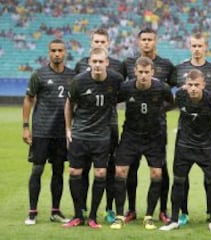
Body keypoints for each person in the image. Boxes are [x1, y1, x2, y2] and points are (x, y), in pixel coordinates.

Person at [110, 56, 174, 230]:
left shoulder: (162, 88)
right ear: (135, 72)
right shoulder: (126, 88)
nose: (144, 76)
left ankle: (149, 216)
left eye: (147, 72)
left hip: (154, 137)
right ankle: (119, 215)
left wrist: (160, 112)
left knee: (156, 174)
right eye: (141, 72)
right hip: (131, 135)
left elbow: (172, 103)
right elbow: (111, 102)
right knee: (121, 171)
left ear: (153, 72)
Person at [63, 47, 122, 229]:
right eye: (94, 61)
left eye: (100, 61)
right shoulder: (78, 81)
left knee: (101, 174)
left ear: (107, 63)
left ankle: (93, 217)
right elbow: (69, 104)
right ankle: (78, 215)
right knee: (75, 173)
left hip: (101, 136)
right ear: (89, 63)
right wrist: (68, 129)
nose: (97, 65)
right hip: (80, 134)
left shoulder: (116, 80)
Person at [121, 28, 175, 224]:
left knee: (162, 170)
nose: (146, 43)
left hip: (157, 129)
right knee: (131, 168)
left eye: (150, 39)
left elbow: (171, 97)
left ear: (155, 41)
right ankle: (131, 209)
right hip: (133, 129)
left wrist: (158, 110)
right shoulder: (128, 64)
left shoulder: (166, 65)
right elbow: (121, 89)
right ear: (138, 41)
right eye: (143, 39)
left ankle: (162, 209)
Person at [159, 69, 211, 233]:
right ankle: (174, 219)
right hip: (184, 146)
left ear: (203, 85)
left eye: (196, 85)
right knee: (179, 181)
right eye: (190, 85)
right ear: (185, 85)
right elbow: (166, 106)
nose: (193, 88)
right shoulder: (180, 96)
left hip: (207, 148)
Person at [171, 32, 211, 226]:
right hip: (185, 132)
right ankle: (182, 212)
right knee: (181, 177)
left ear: (205, 47)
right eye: (194, 45)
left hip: (207, 133)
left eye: (200, 45)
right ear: (189, 46)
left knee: (210, 179)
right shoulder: (180, 68)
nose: (197, 49)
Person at [22, 39, 75, 225]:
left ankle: (55, 211)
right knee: (37, 169)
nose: (57, 54)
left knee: (59, 171)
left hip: (62, 132)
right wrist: (26, 126)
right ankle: (32, 212)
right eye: (53, 50)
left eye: (60, 50)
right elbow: (29, 99)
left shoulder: (72, 76)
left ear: (65, 52)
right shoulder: (39, 75)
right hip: (42, 130)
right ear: (49, 52)